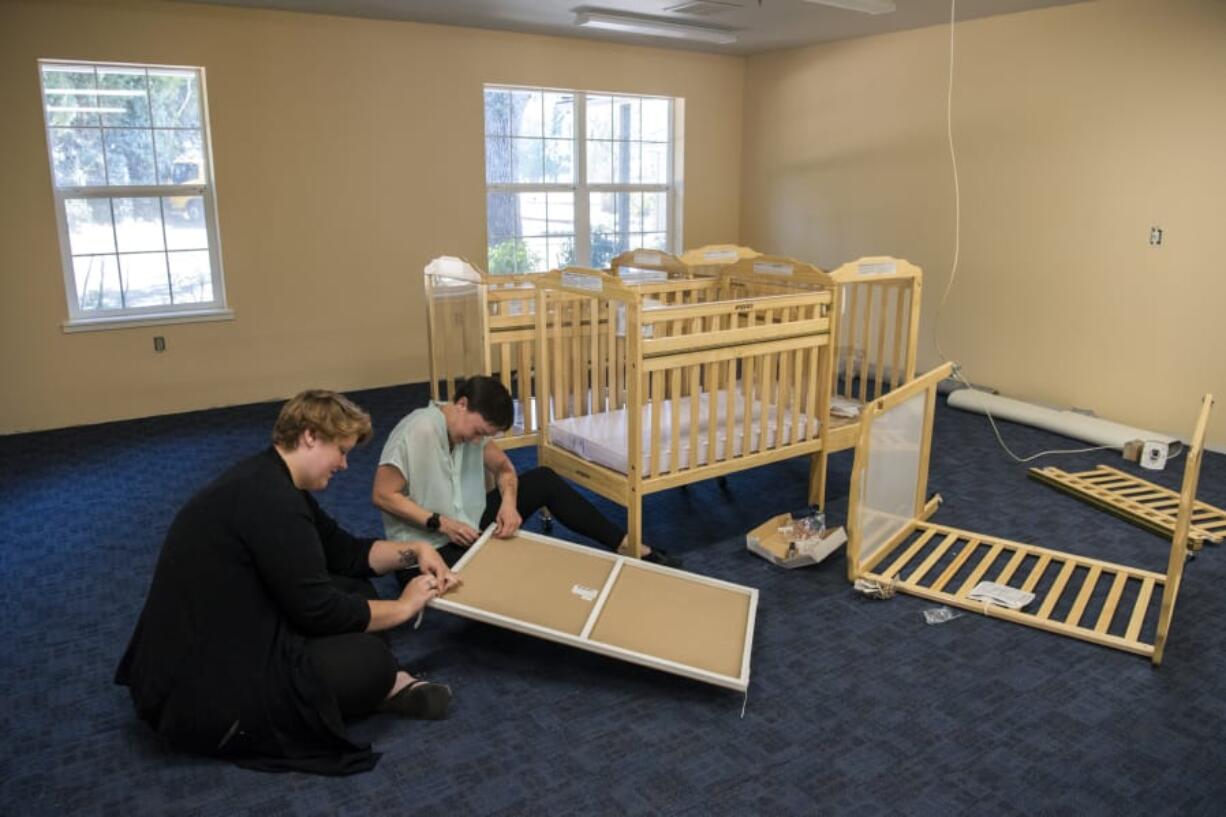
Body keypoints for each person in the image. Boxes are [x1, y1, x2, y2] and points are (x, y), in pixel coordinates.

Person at [115, 390, 460, 775]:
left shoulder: (272, 479)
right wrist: (405, 606)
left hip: (224, 634)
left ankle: (378, 685)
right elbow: (319, 612)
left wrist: (414, 549)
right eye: (341, 451)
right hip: (205, 694)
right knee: (372, 660)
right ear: (310, 436)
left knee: (354, 585)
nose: (345, 465)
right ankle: (385, 683)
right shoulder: (271, 502)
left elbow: (345, 553)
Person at [372, 375, 679, 578]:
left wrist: (508, 502)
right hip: (425, 547)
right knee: (500, 582)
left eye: (486, 435)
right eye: (479, 431)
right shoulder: (417, 430)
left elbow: (505, 468)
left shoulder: (471, 434)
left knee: (544, 479)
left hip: (466, 528)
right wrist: (440, 522)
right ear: (460, 405)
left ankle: (628, 546)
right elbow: (383, 495)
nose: (479, 439)